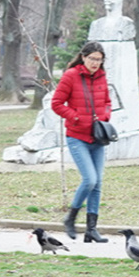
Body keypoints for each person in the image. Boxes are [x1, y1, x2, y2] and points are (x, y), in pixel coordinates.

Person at [51, 41, 112, 243]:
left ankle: (91, 230)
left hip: (98, 137)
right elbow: (57, 104)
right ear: (83, 57)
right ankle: (70, 217)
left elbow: (107, 102)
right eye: (92, 59)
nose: (96, 63)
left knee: (98, 184)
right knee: (90, 180)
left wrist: (104, 116)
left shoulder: (102, 77)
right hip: (77, 137)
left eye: (99, 59)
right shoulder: (71, 76)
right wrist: (76, 117)